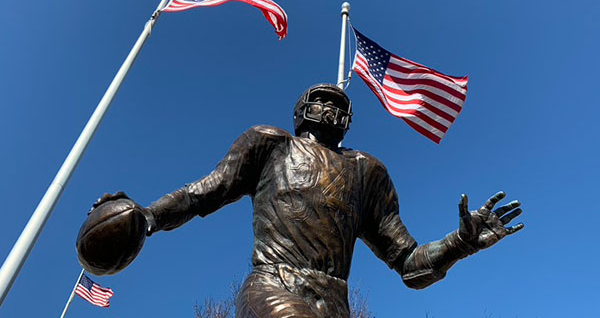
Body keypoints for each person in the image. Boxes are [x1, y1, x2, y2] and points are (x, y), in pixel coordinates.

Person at [95, 83, 523, 318]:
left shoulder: (366, 172)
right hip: (274, 284)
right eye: (320, 100)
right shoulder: (270, 145)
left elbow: (410, 266)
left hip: (335, 302)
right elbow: (202, 193)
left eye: (339, 105)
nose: (330, 108)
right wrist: (147, 216)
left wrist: (460, 244)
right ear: (301, 110)